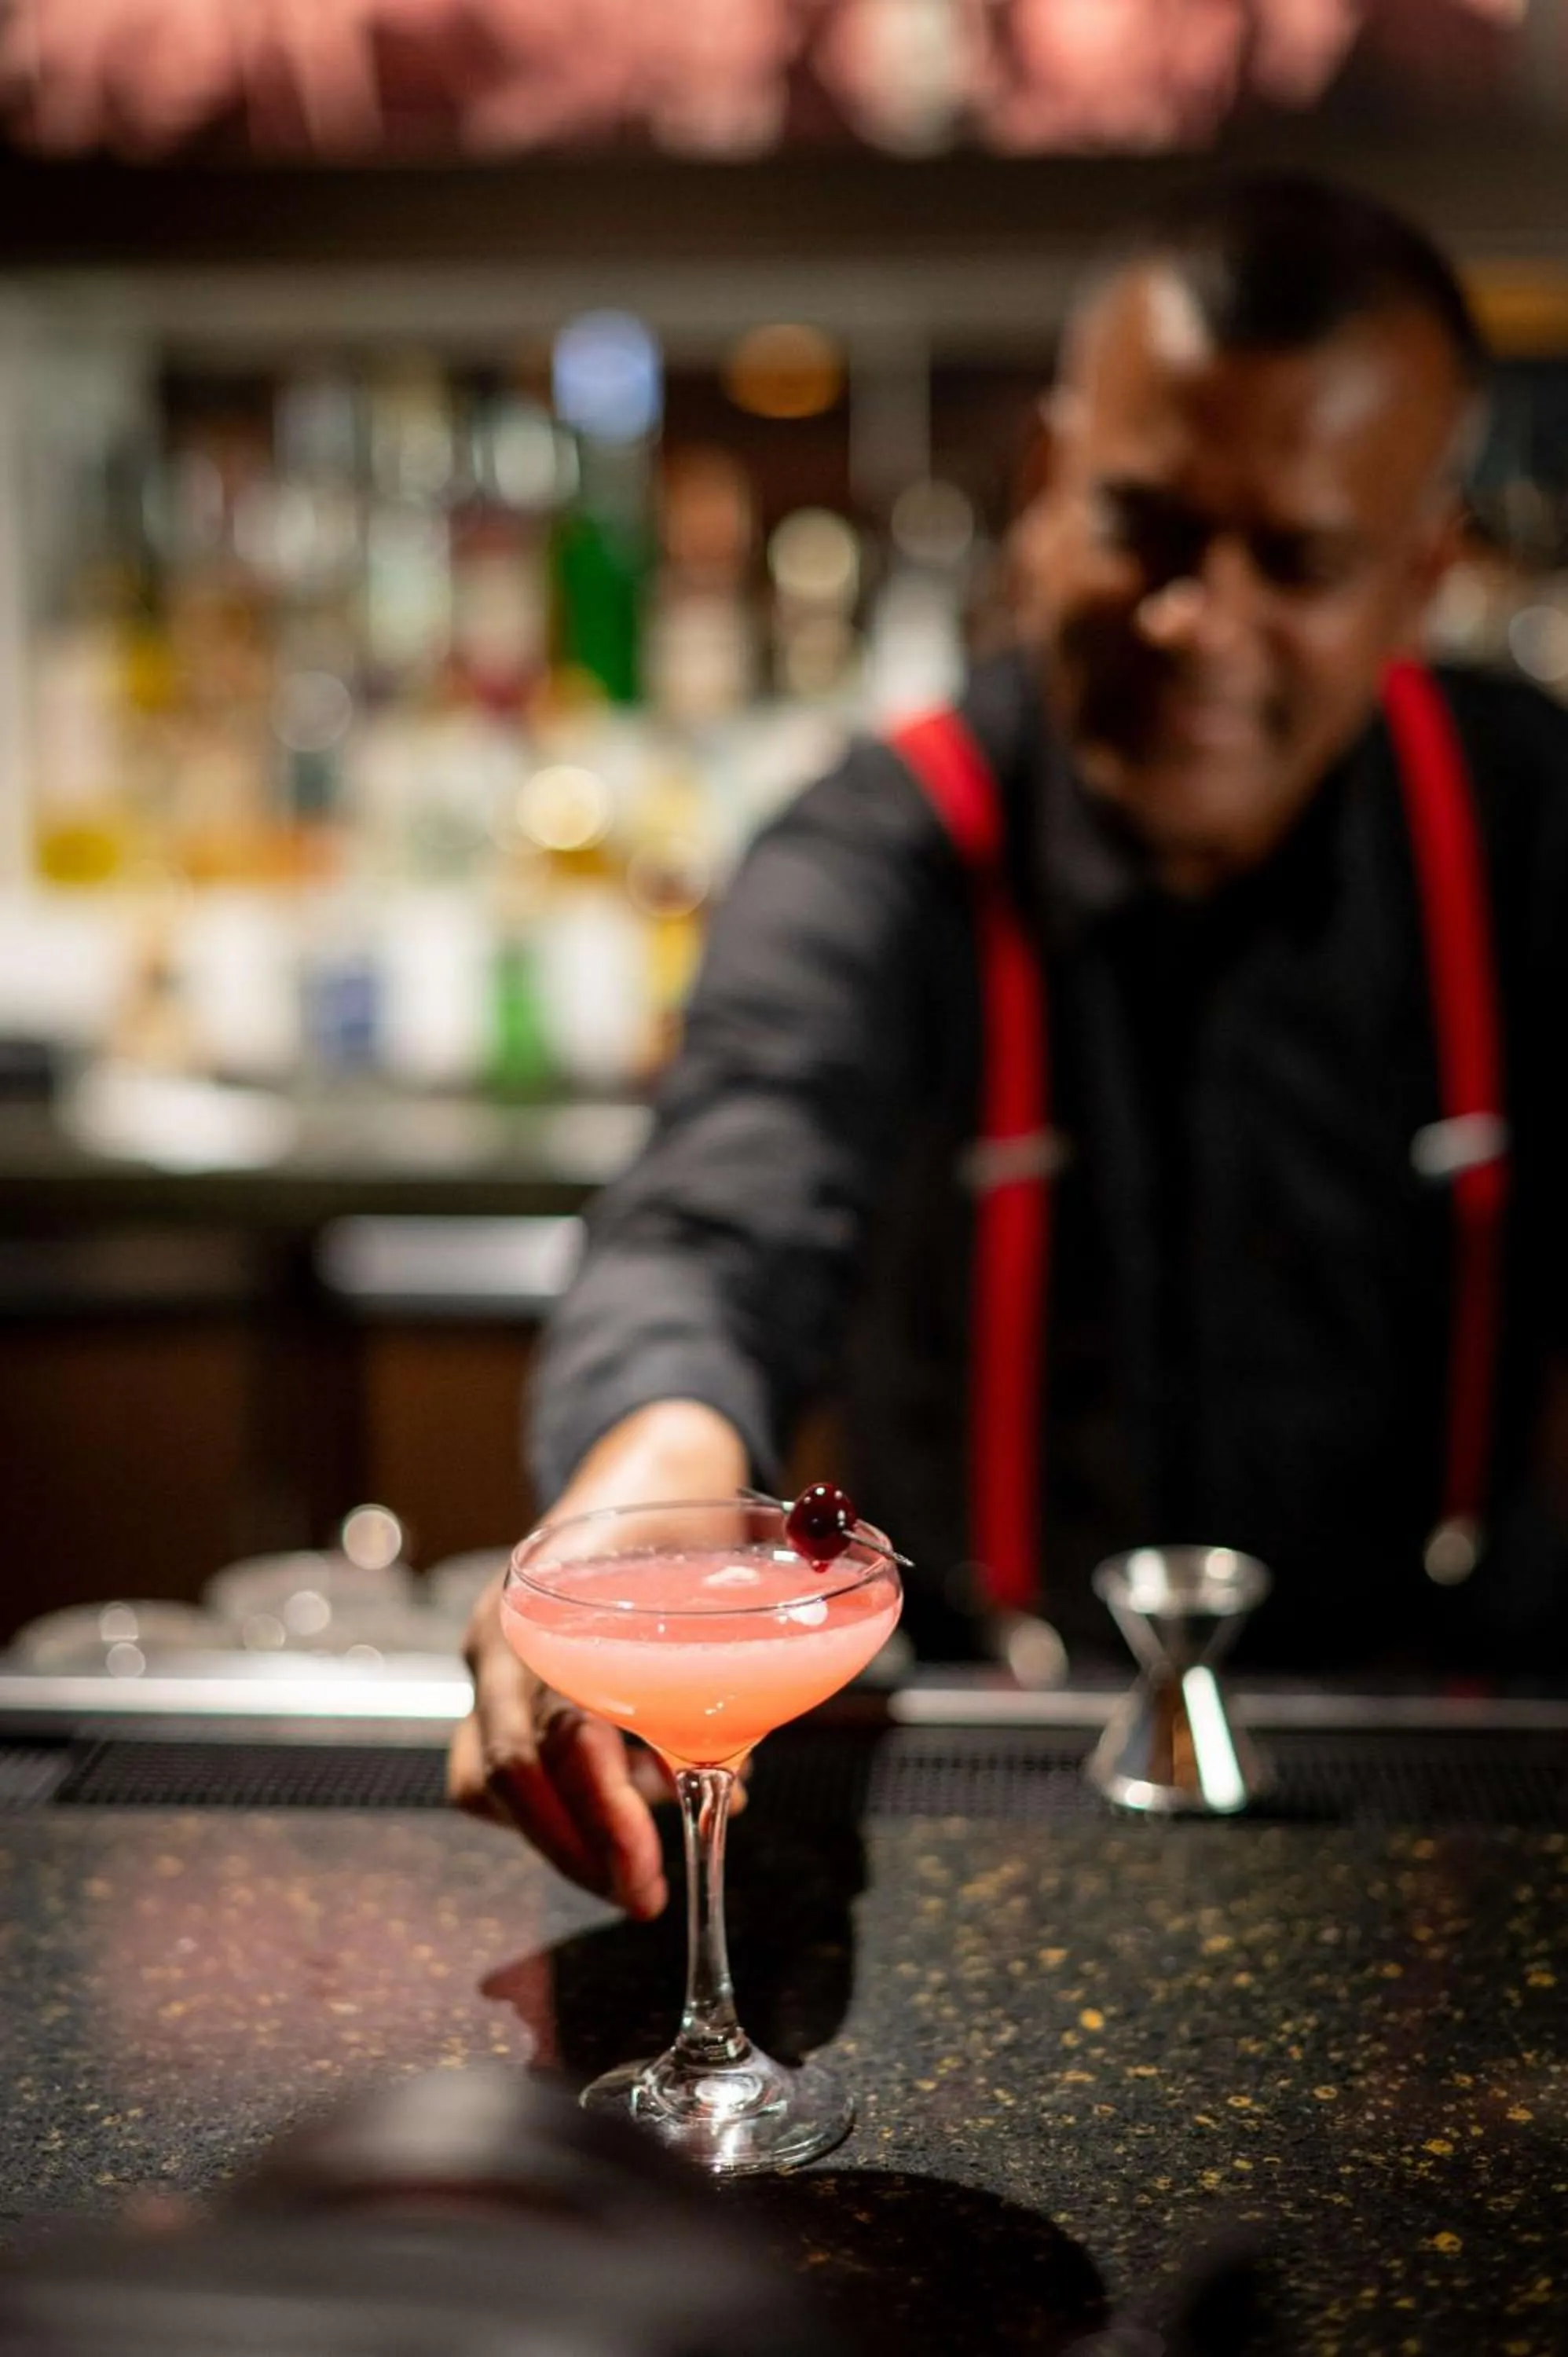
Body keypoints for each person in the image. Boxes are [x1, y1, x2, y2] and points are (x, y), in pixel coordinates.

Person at [449, 170, 1568, 1916]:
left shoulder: (1526, 825)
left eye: (1297, 560)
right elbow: (708, 1227)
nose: (1198, 621)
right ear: (1043, 491)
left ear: (1420, 571)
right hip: (979, 1772)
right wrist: (656, 1462)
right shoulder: (876, 850)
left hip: (1434, 1763)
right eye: (1145, 525)